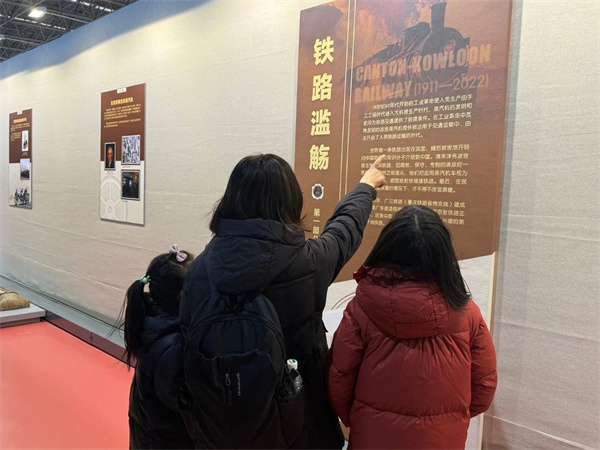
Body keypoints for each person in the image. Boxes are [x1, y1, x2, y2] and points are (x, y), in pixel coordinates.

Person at [180, 153, 386, 449]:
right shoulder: (310, 263)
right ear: (291, 201)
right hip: (301, 423)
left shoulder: (198, 271)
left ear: (230, 199)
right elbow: (344, 229)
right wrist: (365, 187)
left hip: (219, 426)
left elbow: (187, 340)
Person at [327, 206, 498, 449]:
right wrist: (447, 422)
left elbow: (338, 381)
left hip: (373, 438)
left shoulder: (361, 310)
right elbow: (484, 388)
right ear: (444, 254)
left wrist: (360, 420)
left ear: (385, 248)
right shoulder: (467, 314)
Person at [119, 245, 195, 449]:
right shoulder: (173, 347)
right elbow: (186, 406)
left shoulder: (152, 323)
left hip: (149, 433)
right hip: (165, 440)